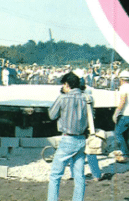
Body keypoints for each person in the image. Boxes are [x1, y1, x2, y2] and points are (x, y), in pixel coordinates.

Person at [47, 72, 88, 201]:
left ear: (66, 84)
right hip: (81, 139)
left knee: (55, 175)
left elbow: (51, 115)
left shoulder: (63, 98)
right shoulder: (87, 98)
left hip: (68, 138)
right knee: (79, 176)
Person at [112, 70, 129, 163]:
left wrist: (116, 113)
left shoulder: (123, 88)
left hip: (125, 114)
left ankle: (125, 154)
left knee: (118, 133)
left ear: (121, 79)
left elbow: (122, 101)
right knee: (127, 135)